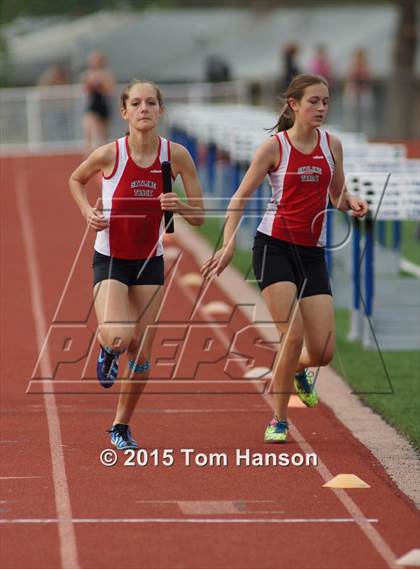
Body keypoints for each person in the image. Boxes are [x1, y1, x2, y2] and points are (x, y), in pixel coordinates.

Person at [201, 74, 368, 443]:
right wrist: (228, 244)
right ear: (294, 105)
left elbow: (336, 196)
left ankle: (295, 370)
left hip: (312, 252)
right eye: (314, 102)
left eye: (326, 101)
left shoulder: (332, 145)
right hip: (273, 247)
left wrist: (350, 203)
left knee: (322, 352)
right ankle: (278, 419)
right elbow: (239, 197)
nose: (322, 108)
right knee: (290, 338)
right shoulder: (274, 148)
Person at [69, 79, 205, 450]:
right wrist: (87, 211)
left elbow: (199, 216)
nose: (144, 109)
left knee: (142, 356)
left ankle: (120, 426)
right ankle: (107, 348)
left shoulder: (175, 157)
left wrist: (179, 206)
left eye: (151, 103)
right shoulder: (109, 154)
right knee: (118, 335)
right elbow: (76, 179)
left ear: (161, 110)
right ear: (124, 111)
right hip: (111, 257)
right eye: (136, 103)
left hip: (150, 262)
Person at [80, 51, 115, 152]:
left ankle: (103, 157)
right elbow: (85, 90)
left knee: (103, 135)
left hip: (103, 105)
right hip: (91, 106)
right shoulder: (87, 74)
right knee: (89, 132)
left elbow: (109, 90)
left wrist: (99, 84)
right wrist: (90, 83)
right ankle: (88, 157)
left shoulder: (107, 75)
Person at [343, 48, 374, 134]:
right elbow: (349, 80)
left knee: (366, 115)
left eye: (361, 57)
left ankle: (366, 133)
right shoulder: (351, 66)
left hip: (364, 91)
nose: (359, 59)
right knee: (351, 115)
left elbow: (368, 79)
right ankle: (350, 133)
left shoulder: (366, 67)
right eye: (357, 57)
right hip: (353, 91)